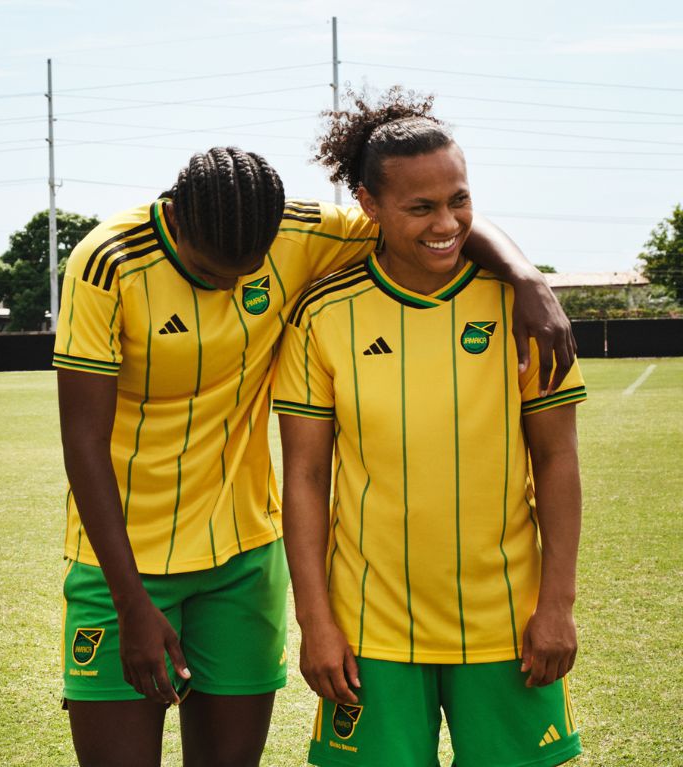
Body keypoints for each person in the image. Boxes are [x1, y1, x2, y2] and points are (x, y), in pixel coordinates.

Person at [53, 143, 577, 766]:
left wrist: (526, 276)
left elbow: (432, 219)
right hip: (123, 565)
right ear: (178, 221)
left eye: (251, 267)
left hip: (243, 558)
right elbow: (83, 443)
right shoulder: (107, 263)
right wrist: (130, 603)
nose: (236, 282)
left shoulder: (295, 231)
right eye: (216, 269)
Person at [273, 86, 585, 767]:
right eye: (421, 207)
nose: (447, 222)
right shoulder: (323, 315)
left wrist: (557, 604)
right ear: (369, 206)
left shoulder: (524, 310)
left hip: (508, 624)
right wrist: (316, 621)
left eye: (459, 200)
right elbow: (304, 477)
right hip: (370, 630)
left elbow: (558, 459)